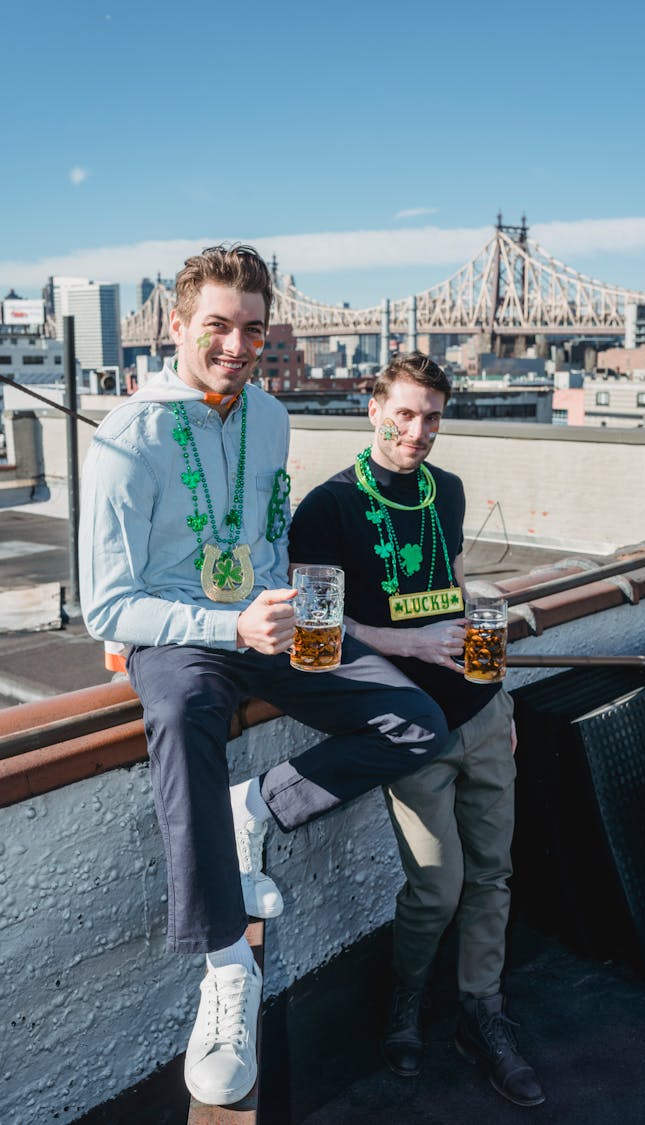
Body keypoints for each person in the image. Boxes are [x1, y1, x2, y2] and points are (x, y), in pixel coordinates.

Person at [79, 248, 450, 1108]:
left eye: (253, 327)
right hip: (174, 631)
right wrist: (226, 623)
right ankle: (223, 969)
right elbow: (107, 608)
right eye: (218, 324)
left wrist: (288, 604)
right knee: (179, 711)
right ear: (177, 326)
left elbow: (270, 533)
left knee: (415, 720)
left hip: (266, 620)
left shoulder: (274, 419)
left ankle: (255, 807)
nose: (237, 344)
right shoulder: (125, 439)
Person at [289, 352, 545, 1107]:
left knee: (494, 873)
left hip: (482, 709)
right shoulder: (324, 508)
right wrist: (410, 643)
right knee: (437, 887)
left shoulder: (451, 490)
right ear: (372, 409)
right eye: (403, 413)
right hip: (408, 723)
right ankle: (405, 1002)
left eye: (431, 416)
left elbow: (458, 587)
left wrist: (500, 691)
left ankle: (481, 1013)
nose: (418, 430)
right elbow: (317, 634)